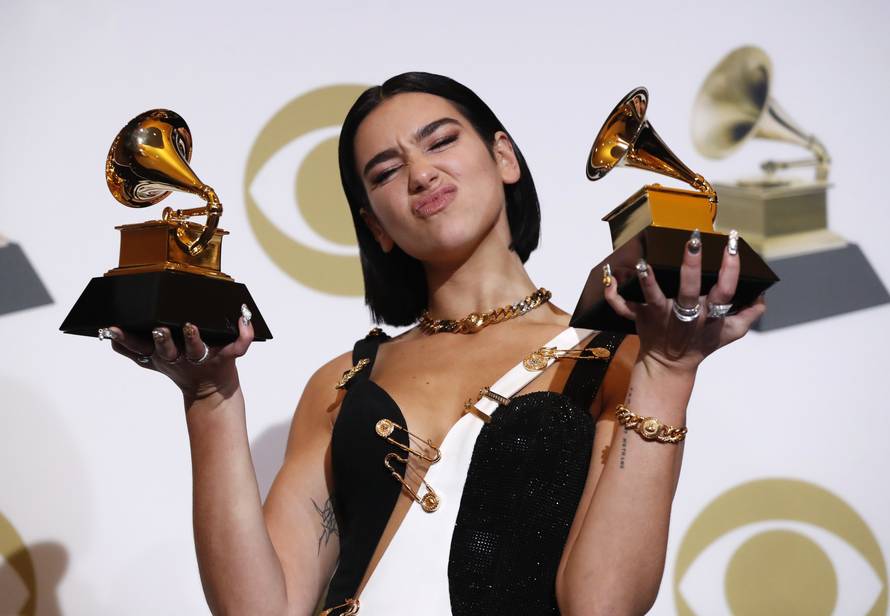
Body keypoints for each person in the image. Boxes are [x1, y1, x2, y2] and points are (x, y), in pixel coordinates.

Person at [102, 72, 765, 615]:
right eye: (386, 170)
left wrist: (669, 374)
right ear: (375, 226)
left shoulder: (617, 356)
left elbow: (600, 603)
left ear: (504, 157)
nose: (421, 174)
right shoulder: (342, 382)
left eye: (440, 141)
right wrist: (210, 398)